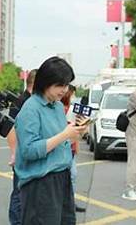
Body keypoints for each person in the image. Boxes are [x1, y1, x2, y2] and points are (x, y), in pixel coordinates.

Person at [15, 57, 88, 225]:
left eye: (67, 85)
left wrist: (77, 132)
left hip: (62, 178)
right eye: (59, 85)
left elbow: (59, 144)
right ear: (45, 82)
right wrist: (65, 135)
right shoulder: (31, 108)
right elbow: (29, 150)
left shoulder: (56, 106)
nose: (64, 90)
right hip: (41, 183)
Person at [7, 69, 36, 225]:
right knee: (19, 192)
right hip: (21, 154)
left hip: (28, 152)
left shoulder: (31, 101)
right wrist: (14, 153)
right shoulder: (21, 101)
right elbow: (11, 129)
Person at [62, 85, 86, 213]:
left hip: (70, 147)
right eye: (72, 95)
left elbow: (75, 131)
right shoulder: (59, 108)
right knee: (69, 175)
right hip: (61, 147)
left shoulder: (72, 109)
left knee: (72, 175)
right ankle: (67, 204)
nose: (73, 98)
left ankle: (70, 203)